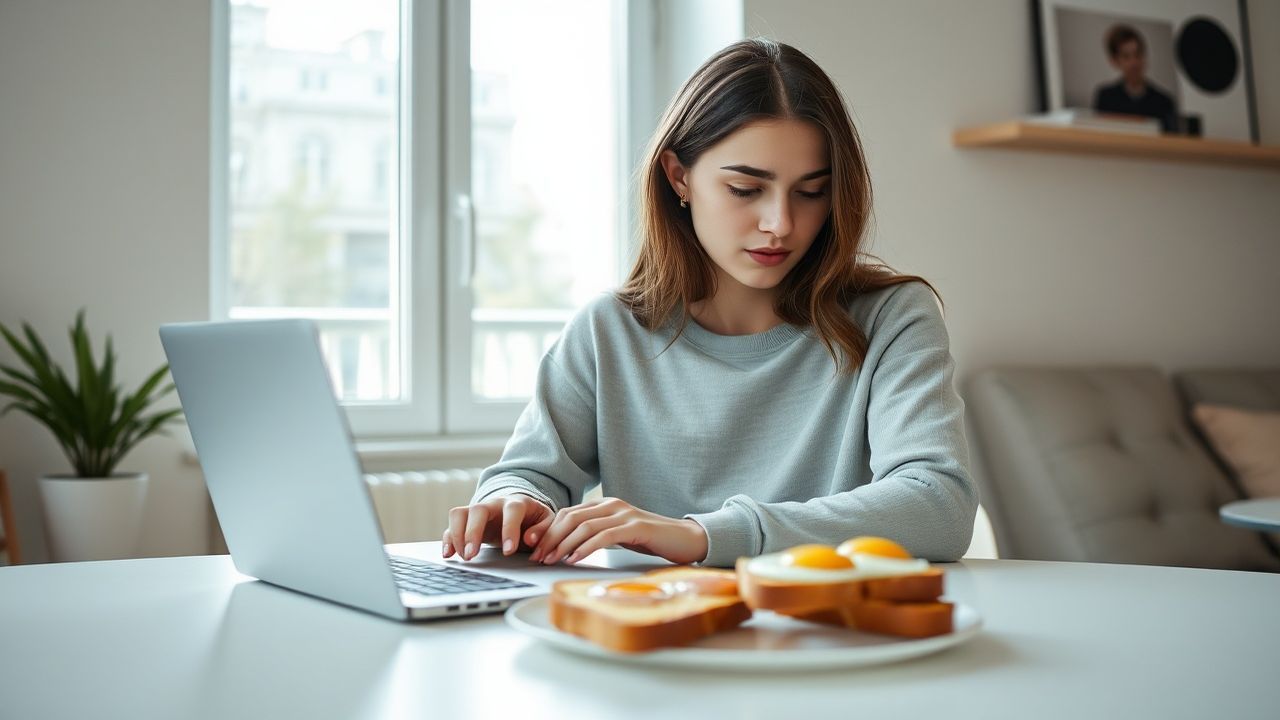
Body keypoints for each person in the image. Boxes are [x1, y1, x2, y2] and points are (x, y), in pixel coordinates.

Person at [441, 38, 977, 569]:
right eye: (746, 189)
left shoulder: (891, 318)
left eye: (810, 192)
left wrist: (702, 535)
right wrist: (515, 503)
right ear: (679, 177)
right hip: (653, 635)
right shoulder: (609, 330)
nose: (781, 224)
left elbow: (938, 505)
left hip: (823, 635)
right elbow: (531, 474)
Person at [1092, 24, 1178, 132]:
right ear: (1115, 61)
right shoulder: (1106, 98)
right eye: (1126, 57)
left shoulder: (1164, 102)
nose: (1134, 63)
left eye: (1138, 55)